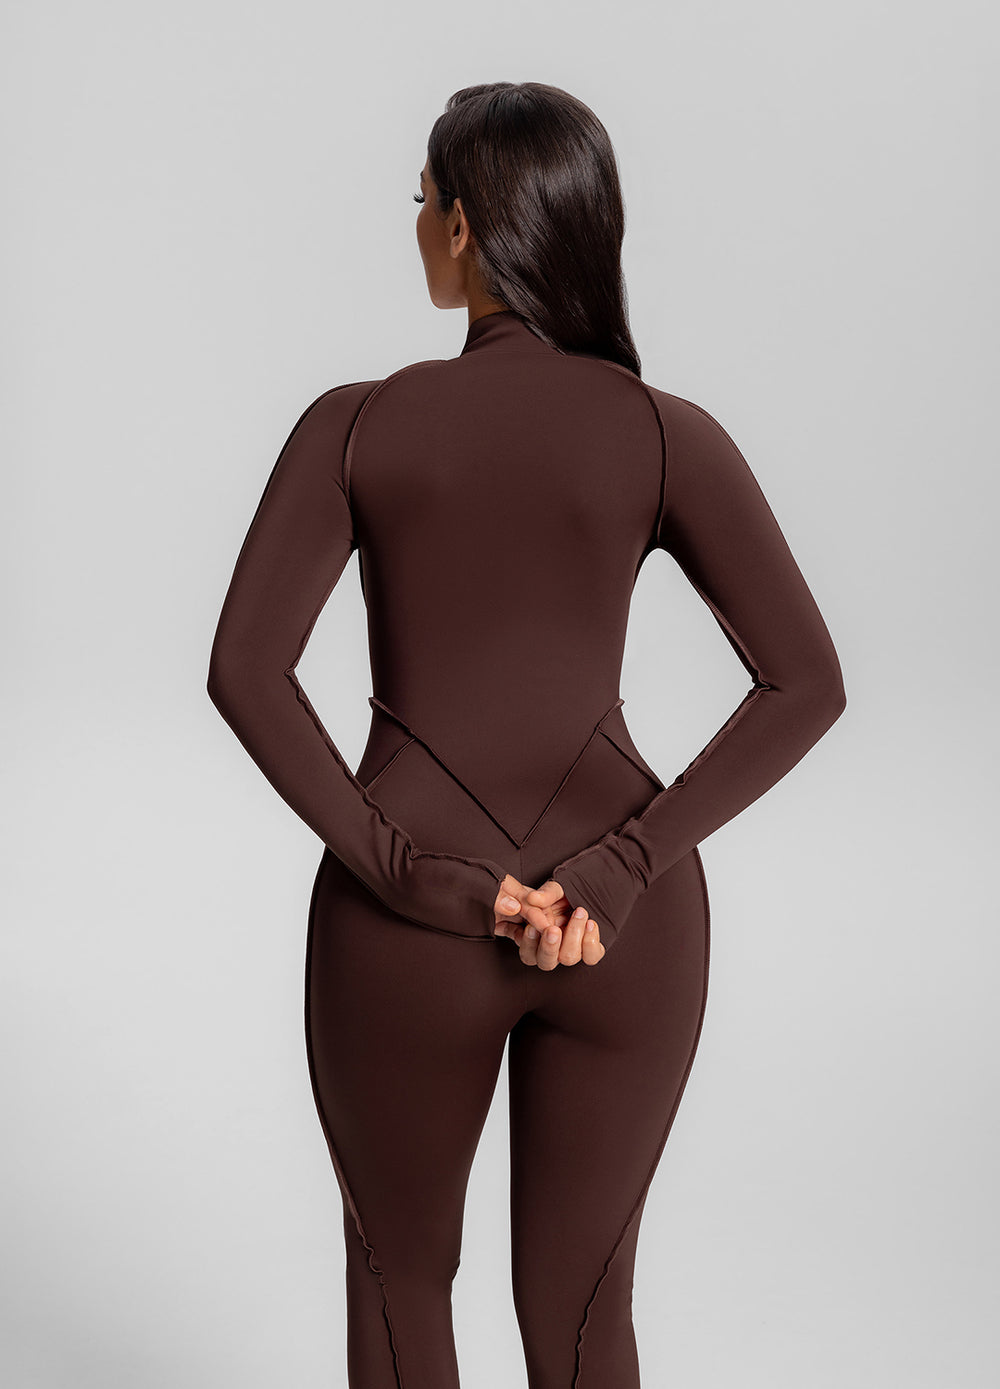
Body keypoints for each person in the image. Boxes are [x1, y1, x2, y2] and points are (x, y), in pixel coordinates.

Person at [207, 80, 846, 1389]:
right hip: (624, 927)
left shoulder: (355, 425)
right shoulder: (665, 434)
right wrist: (620, 865)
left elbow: (246, 672)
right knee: (583, 1315)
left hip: (405, 928)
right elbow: (806, 682)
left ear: (459, 226)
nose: (418, 225)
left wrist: (406, 872)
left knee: (400, 1284)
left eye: (421, 201)